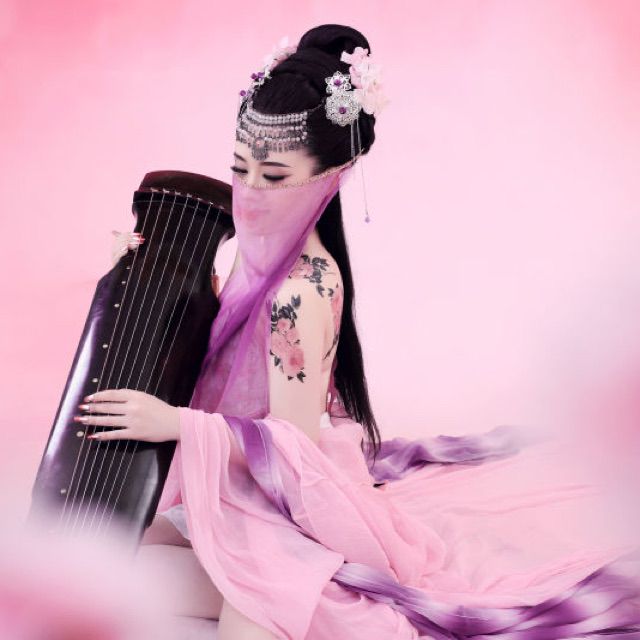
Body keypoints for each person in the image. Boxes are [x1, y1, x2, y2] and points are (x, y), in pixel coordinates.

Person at [76, 24, 640, 640]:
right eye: (240, 168)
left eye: (275, 175)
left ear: (334, 173)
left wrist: (177, 424)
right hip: (234, 486)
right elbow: (229, 349)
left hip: (281, 505)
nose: (251, 192)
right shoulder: (257, 253)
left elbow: (290, 445)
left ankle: (274, 582)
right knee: (93, 553)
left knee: (219, 611)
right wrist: (135, 276)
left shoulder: (301, 289)